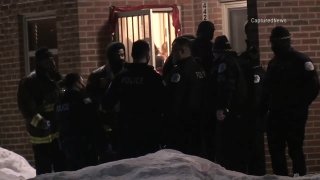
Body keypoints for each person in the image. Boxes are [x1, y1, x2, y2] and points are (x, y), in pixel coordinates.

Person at [262, 26, 319, 176]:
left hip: (294, 116)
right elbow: (267, 91)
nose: (273, 46)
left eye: (275, 42)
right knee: (276, 153)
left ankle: (299, 177)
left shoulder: (301, 61)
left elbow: (313, 88)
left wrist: (298, 106)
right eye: (272, 42)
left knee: (295, 151)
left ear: (284, 42)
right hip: (276, 115)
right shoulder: (273, 64)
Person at [102, 40, 165, 159]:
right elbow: (164, 103)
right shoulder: (154, 78)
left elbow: (107, 103)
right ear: (148, 56)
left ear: (131, 54)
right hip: (149, 131)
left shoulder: (121, 77)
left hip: (126, 131)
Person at [17, 47, 65, 175]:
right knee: (44, 170)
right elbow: (26, 108)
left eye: (52, 60)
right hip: (40, 135)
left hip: (57, 133)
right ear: (39, 63)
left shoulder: (56, 79)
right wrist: (40, 122)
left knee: (62, 169)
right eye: (48, 61)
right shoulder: (29, 82)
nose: (52, 63)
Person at [163, 36, 206, 156]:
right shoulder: (199, 68)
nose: (172, 55)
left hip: (182, 124)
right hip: (199, 121)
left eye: (174, 50)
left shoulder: (179, 72)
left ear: (181, 51)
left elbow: (174, 98)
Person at [210, 35, 248, 173]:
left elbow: (226, 86)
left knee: (226, 148)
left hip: (229, 113)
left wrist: (223, 108)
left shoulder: (224, 64)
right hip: (238, 112)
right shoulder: (236, 60)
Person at [86, 42, 126, 163]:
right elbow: (90, 98)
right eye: (117, 55)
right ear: (109, 57)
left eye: (123, 55)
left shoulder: (129, 72)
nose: (121, 58)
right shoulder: (97, 75)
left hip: (125, 121)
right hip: (105, 123)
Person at [238, 21, 266, 175]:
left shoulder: (264, 53)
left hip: (260, 112)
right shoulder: (244, 59)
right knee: (250, 151)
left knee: (258, 151)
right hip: (248, 112)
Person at [56, 73, 98, 170]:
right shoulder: (80, 98)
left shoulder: (60, 101)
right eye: (82, 82)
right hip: (82, 142)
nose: (83, 84)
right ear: (77, 83)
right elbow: (91, 117)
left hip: (66, 143)